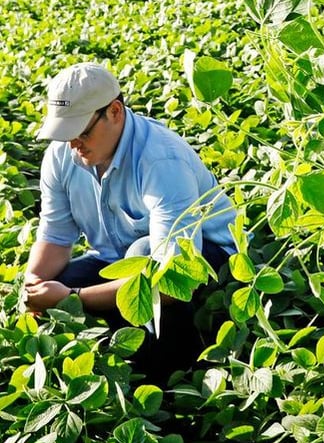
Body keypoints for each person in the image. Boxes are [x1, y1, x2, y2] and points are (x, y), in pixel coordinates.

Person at [24, 62, 237, 379]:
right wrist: (34, 286)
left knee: (142, 253)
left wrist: (74, 298)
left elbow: (173, 280)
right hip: (120, 260)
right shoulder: (61, 156)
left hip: (207, 260)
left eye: (81, 131)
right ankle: (127, 356)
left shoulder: (162, 160)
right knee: (64, 277)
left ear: (114, 112)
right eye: (65, 133)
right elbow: (55, 237)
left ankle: (177, 369)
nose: (72, 144)